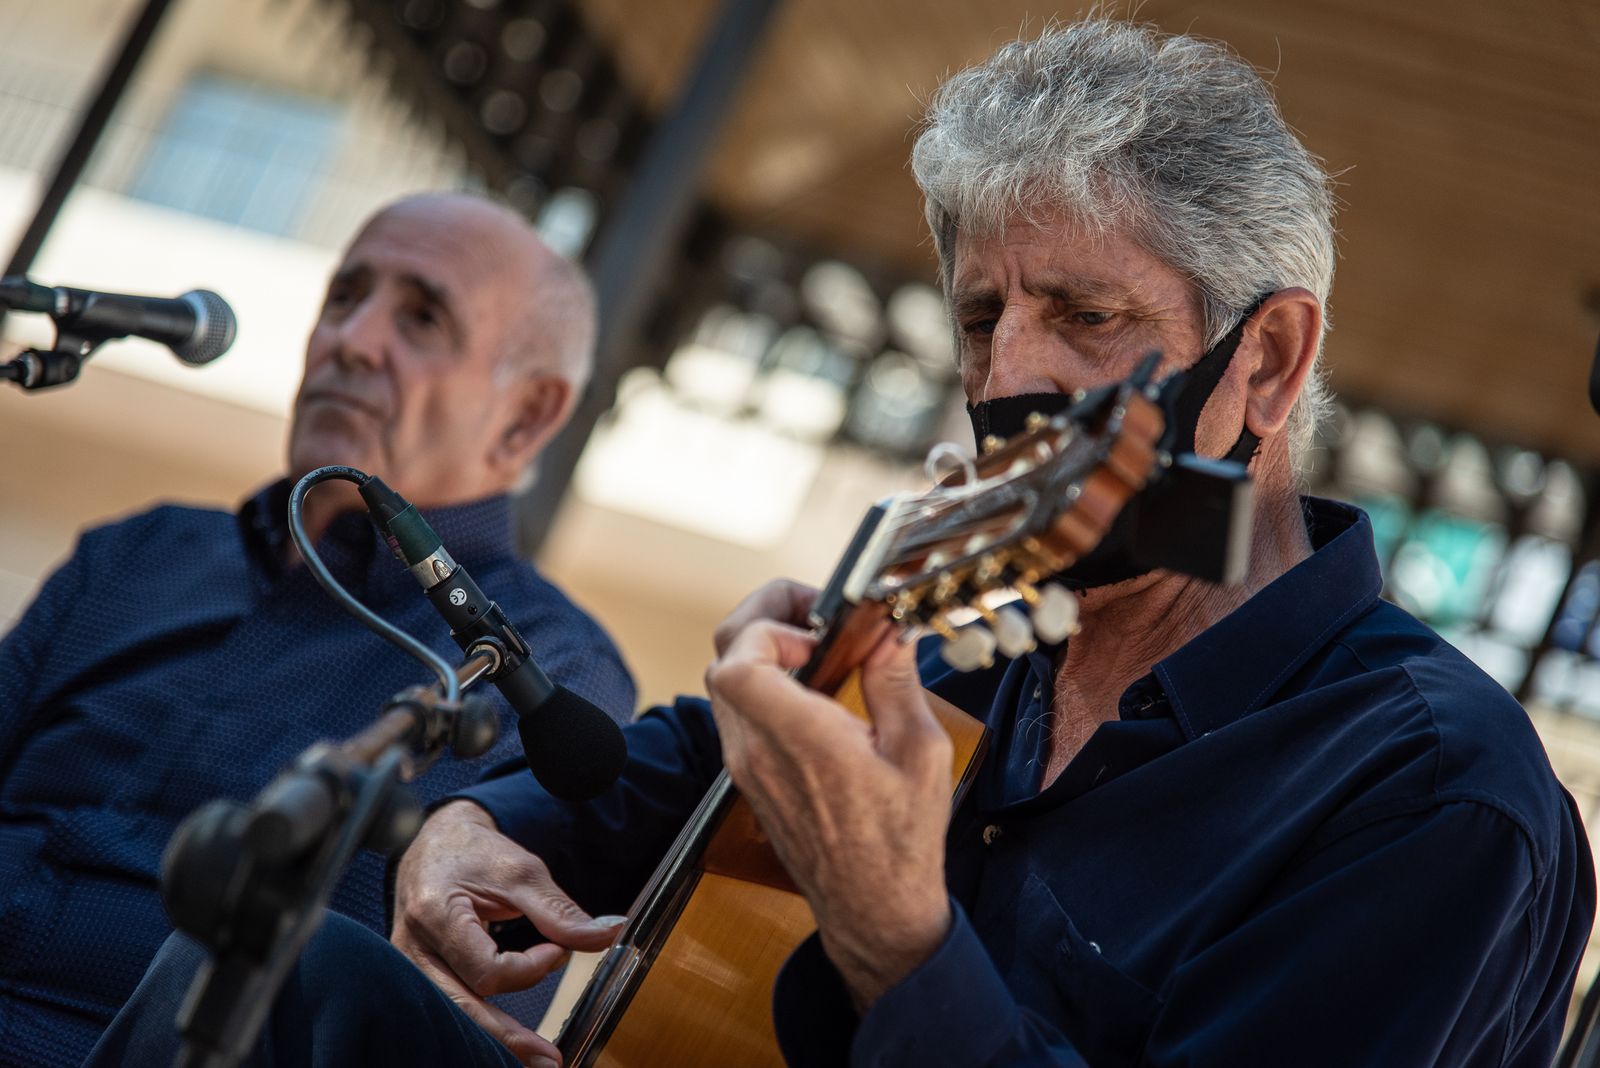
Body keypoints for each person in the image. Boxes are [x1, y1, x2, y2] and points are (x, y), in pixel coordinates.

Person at [89, 19, 1593, 1068]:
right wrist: (473, 832)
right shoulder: (956, 639)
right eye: (986, 317)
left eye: (1084, 316)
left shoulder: (1439, 801)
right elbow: (663, 776)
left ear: (1263, 366)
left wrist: (901, 946)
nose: (1010, 376)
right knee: (273, 971)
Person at [0, 192, 636, 1068]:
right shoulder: (137, 551)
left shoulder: (549, 675)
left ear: (526, 416)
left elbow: (422, 1014)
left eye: (421, 318)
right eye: (345, 297)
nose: (353, 338)